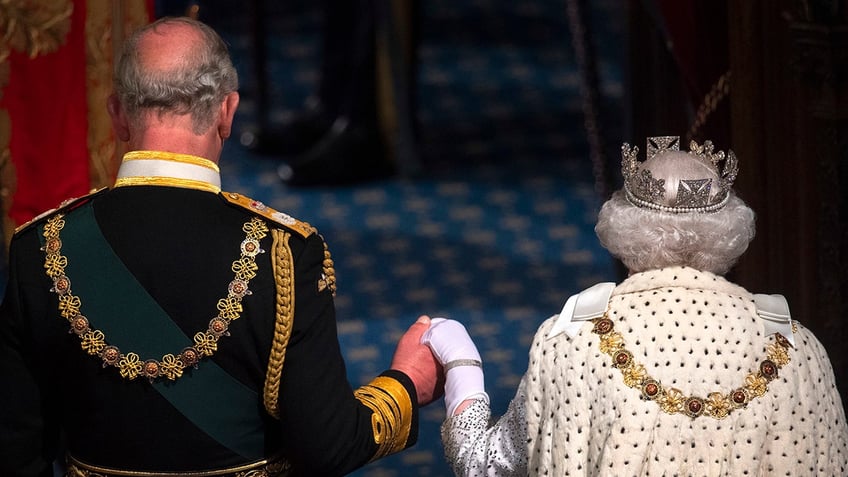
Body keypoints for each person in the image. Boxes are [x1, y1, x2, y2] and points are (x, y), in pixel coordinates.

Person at [0, 17, 442, 476]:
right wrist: (407, 384)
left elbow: (15, 452)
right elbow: (328, 444)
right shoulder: (285, 255)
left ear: (116, 115)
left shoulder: (38, 249)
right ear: (227, 112)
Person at [423, 136, 848, 475]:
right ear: (730, 230)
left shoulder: (572, 342)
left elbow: (482, 465)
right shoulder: (798, 350)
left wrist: (461, 360)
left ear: (622, 229)